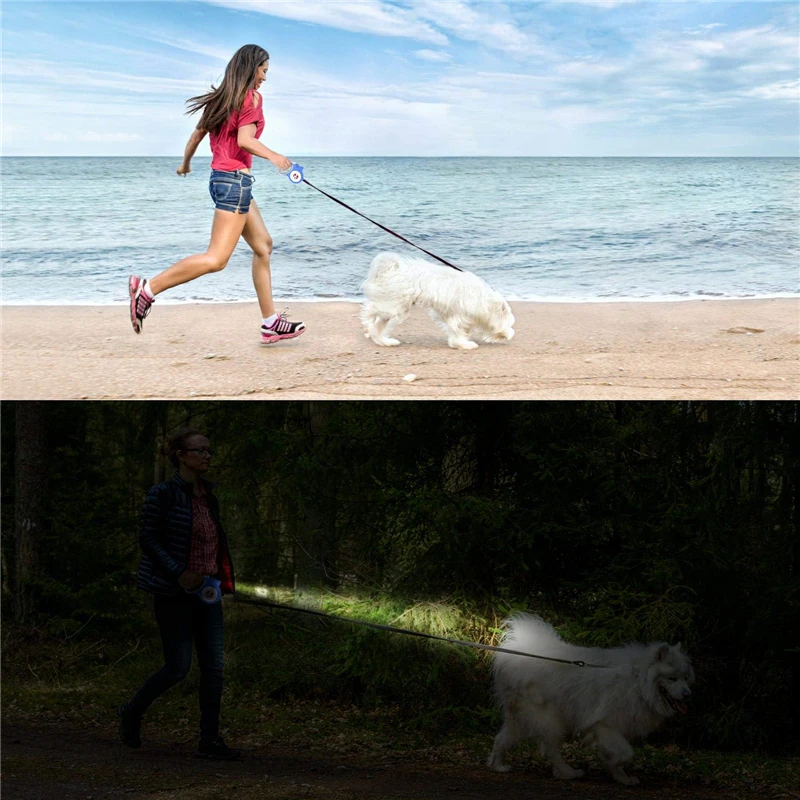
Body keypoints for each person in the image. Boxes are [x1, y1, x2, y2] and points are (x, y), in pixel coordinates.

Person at [128, 44, 305, 345]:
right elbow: (245, 140)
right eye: (263, 71)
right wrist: (276, 157)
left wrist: (184, 165)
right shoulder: (251, 97)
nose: (264, 78)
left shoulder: (219, 100)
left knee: (263, 246)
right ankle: (147, 290)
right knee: (216, 259)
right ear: (251, 68)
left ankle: (270, 323)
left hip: (222, 179)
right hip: (234, 182)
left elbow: (196, 136)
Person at [118, 429, 239, 760]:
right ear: (180, 456)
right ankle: (131, 711)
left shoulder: (209, 496)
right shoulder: (163, 494)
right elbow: (149, 539)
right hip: (173, 593)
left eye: (208, 450)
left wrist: (221, 580)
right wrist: (179, 573)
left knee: (214, 667)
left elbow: (213, 543)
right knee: (178, 667)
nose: (207, 456)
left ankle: (209, 740)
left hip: (208, 592)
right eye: (199, 451)